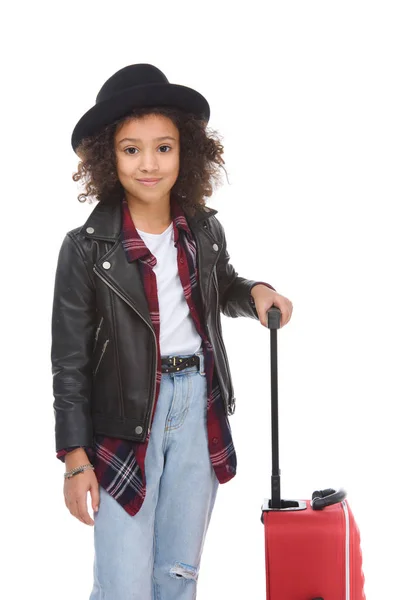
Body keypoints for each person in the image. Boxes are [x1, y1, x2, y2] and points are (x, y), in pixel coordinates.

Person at [51, 63, 293, 600]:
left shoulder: (203, 229)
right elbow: (68, 360)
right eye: (131, 149)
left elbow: (220, 282)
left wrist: (253, 292)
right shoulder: (87, 247)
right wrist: (74, 458)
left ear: (185, 152)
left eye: (163, 147)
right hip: (126, 417)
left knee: (179, 571)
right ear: (107, 159)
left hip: (197, 403)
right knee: (124, 581)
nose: (149, 164)